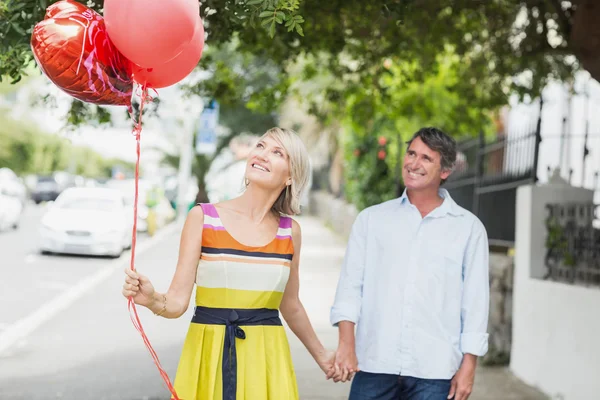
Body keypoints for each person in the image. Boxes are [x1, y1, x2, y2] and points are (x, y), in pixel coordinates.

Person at [122, 127, 335, 399]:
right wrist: (151, 299)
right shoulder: (203, 218)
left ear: (291, 176)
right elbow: (176, 303)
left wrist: (323, 356)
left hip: (266, 361)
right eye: (260, 146)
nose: (263, 155)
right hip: (208, 356)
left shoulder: (290, 232)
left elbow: (290, 305)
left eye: (277, 152)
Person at [329, 127, 490, 400]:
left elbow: (474, 303)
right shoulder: (372, 220)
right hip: (375, 364)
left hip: (435, 372)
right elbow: (350, 287)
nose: (414, 163)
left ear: (445, 171)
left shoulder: (468, 229)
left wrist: (469, 365)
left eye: (427, 158)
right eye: (411, 153)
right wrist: (346, 344)